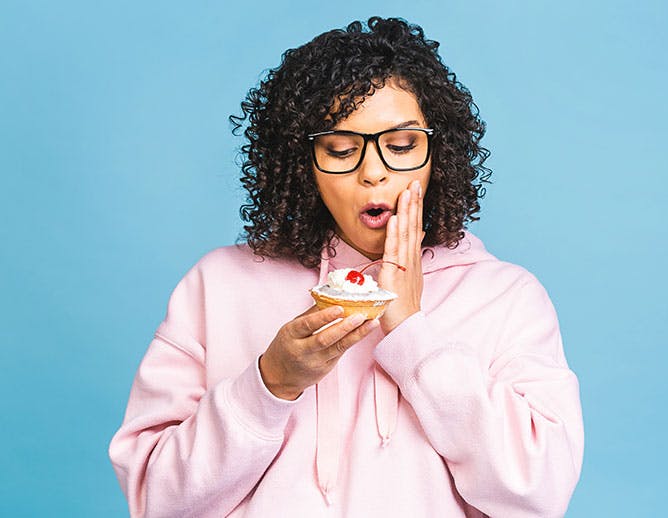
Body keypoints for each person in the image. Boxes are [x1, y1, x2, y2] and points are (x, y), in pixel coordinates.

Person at [109, 16, 584, 517]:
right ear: (303, 163)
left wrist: (411, 333)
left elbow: (539, 494)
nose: (372, 171)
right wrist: (271, 382)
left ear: (437, 154)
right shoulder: (216, 287)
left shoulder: (505, 298)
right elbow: (155, 499)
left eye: (401, 146)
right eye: (340, 149)